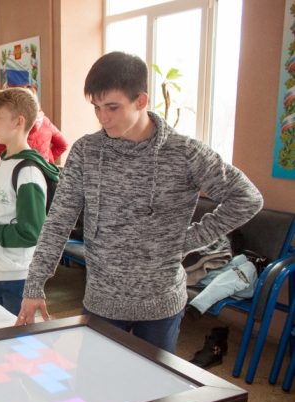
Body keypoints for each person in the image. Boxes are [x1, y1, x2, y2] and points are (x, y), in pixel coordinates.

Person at [17, 52, 263, 354]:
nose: (102, 118)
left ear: (141, 101)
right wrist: (35, 283)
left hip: (161, 304)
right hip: (102, 301)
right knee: (97, 381)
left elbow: (247, 198)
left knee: (154, 384)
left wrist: (187, 240)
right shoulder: (86, 151)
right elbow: (58, 221)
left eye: (112, 107)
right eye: (96, 107)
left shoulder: (185, 153)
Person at [0, 88, 60, 316]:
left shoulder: (28, 171)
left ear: (19, 122)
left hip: (16, 278)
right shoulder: (4, 158)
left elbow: (31, 233)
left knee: (19, 337)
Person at [0, 85, 69, 168]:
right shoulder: (45, 122)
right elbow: (63, 145)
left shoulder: (6, 130)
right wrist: (46, 161)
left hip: (13, 170)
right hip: (41, 170)